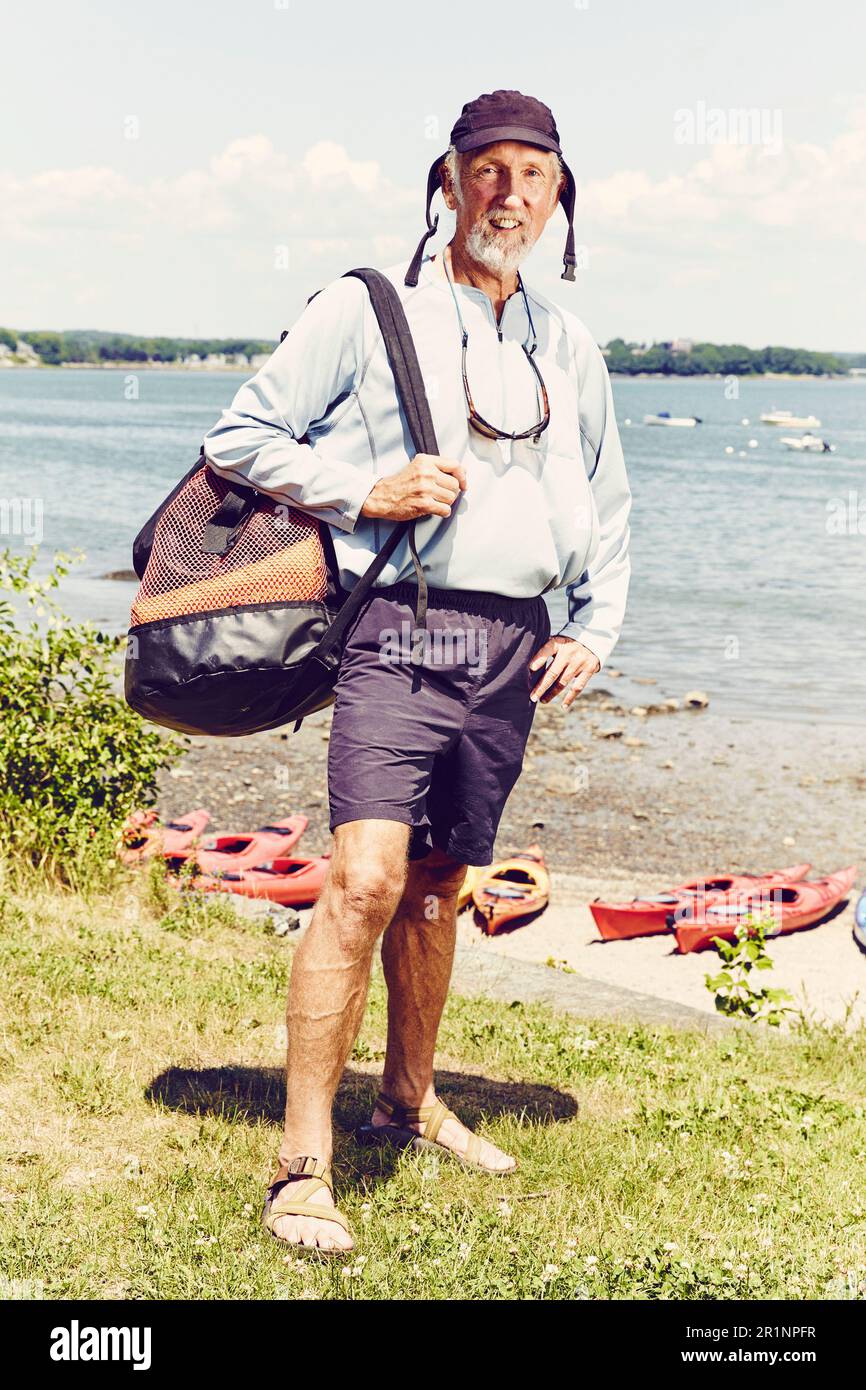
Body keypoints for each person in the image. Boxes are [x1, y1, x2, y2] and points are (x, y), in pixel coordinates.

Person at [203, 89, 631, 1255]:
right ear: (447, 183)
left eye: (531, 176)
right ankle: (301, 1166)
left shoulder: (566, 342)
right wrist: (363, 492)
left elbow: (603, 496)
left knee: (441, 879)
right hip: (400, 621)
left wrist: (594, 625)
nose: (508, 193)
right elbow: (240, 435)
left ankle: (406, 1098)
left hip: (511, 642)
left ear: (557, 199)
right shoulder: (368, 305)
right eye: (485, 171)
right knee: (364, 878)